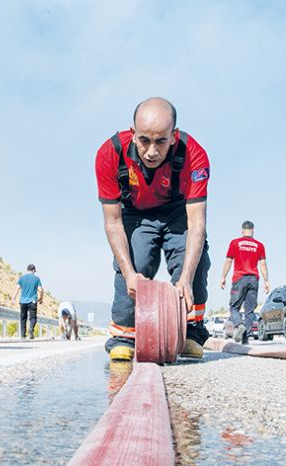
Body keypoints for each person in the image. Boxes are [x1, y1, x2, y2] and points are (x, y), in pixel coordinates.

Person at [95, 97, 211, 361]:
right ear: (133, 133)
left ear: (174, 136)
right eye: (144, 140)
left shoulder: (195, 155)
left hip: (177, 211)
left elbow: (196, 224)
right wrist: (129, 274)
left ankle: (192, 331)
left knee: (193, 260)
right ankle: (124, 334)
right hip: (136, 212)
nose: (151, 151)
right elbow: (113, 222)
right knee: (134, 261)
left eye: (161, 141)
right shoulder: (109, 154)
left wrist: (185, 279)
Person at [220, 220, 270, 344]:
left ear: (242, 231)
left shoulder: (235, 243)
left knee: (234, 307)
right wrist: (266, 281)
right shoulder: (259, 245)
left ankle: (239, 324)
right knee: (249, 310)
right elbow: (263, 264)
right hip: (254, 279)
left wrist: (223, 277)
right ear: (253, 230)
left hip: (239, 278)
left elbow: (228, 261)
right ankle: (245, 338)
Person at [12, 264, 43, 339]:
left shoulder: (22, 278)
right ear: (34, 270)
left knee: (23, 318)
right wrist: (41, 298)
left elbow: (17, 289)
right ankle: (31, 329)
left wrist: (13, 298)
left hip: (22, 301)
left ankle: (23, 335)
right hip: (32, 301)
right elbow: (40, 290)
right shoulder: (36, 278)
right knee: (33, 318)